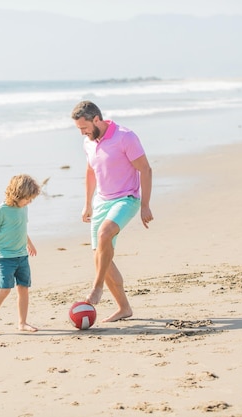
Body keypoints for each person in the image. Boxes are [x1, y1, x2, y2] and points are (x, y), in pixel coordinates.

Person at [71, 100, 154, 322]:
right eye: (79, 129)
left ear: (96, 119)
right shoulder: (89, 143)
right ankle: (124, 308)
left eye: (84, 127)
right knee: (101, 258)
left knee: (105, 233)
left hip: (127, 198)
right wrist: (87, 203)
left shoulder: (125, 137)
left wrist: (145, 204)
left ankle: (96, 288)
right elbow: (90, 172)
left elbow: (145, 169)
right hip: (102, 201)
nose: (82, 133)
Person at [0, 174, 41, 335]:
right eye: (28, 198)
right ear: (18, 194)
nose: (29, 202)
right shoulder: (3, 210)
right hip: (5, 257)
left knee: (23, 288)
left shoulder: (24, 208)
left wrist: (30, 243)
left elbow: (21, 228)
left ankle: (22, 323)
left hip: (22, 255)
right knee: (5, 289)